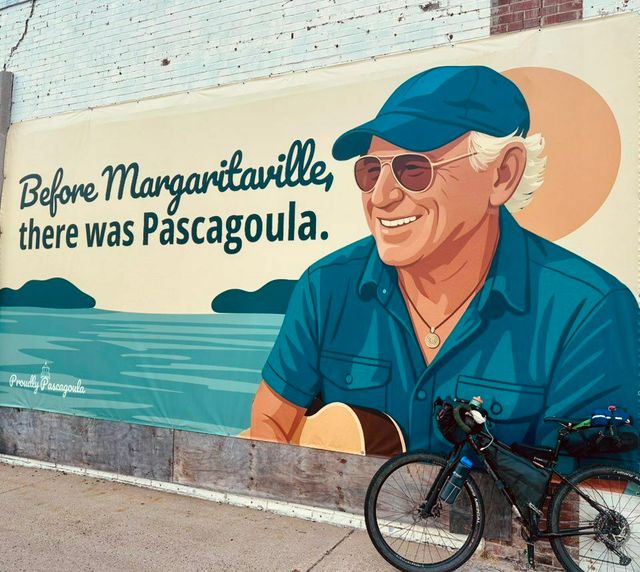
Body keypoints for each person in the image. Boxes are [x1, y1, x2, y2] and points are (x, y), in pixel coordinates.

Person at [249, 65, 638, 470]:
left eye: (413, 169)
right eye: (370, 171)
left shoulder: (590, 313)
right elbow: (269, 424)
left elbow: (598, 493)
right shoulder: (326, 286)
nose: (380, 197)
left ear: (502, 174)